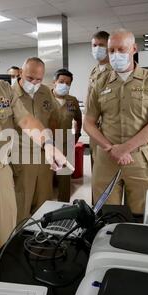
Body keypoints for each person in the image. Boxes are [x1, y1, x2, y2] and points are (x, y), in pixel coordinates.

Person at [0, 35, 67, 270]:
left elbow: (27, 119)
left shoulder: (3, 89)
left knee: (7, 241)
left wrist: (47, 144)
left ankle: (4, 285)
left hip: (3, 174)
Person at [84, 29, 148, 215]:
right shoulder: (100, 83)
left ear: (134, 48)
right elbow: (89, 123)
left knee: (144, 215)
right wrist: (111, 148)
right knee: (106, 215)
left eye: (121, 49)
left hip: (140, 158)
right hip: (106, 159)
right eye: (111, 50)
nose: (116, 55)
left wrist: (124, 148)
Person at [12, 57, 61, 222]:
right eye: (30, 78)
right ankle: (17, 241)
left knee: (45, 202)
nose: (34, 83)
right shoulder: (9, 94)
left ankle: (42, 241)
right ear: (20, 72)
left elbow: (54, 118)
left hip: (44, 156)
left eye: (38, 79)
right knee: (22, 203)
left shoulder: (45, 92)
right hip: (22, 158)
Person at [51, 69, 82, 202]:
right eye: (61, 82)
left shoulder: (72, 101)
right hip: (47, 144)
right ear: (55, 82)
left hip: (66, 142)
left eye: (67, 83)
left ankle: (63, 207)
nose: (64, 85)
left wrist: (76, 136)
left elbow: (78, 120)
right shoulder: (45, 99)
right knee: (46, 180)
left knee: (64, 179)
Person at [87, 31, 112, 165]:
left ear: (109, 46)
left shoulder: (115, 70)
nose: (97, 49)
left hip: (107, 126)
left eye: (101, 45)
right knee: (94, 160)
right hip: (93, 125)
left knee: (106, 163)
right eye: (94, 45)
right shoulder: (95, 70)